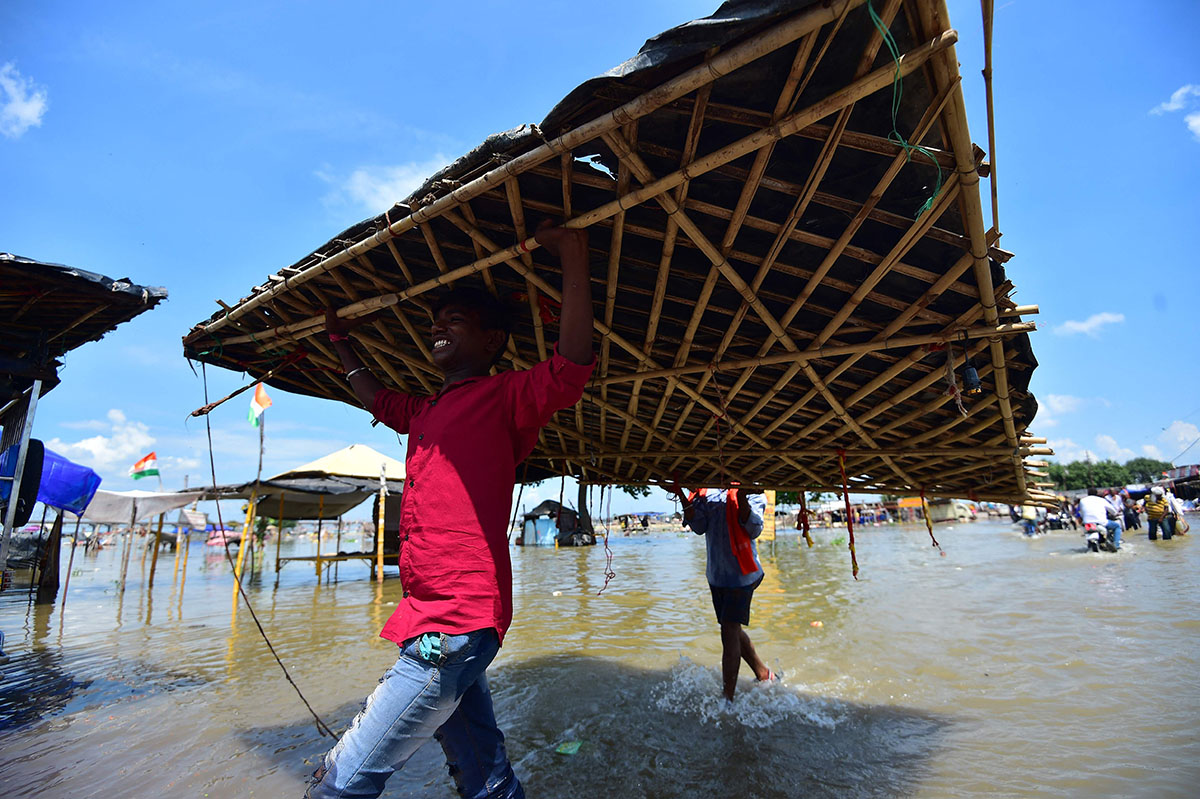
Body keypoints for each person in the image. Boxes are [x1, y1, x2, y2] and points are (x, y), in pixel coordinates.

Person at [307, 221, 594, 799]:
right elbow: (376, 397)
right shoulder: (426, 412)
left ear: (491, 341)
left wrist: (572, 256)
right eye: (433, 324)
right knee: (483, 776)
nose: (437, 330)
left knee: (339, 785)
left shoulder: (506, 395)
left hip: (454, 624)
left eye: (453, 322)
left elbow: (570, 365)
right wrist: (340, 343)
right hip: (431, 615)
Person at [665, 479, 773, 701]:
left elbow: (753, 529)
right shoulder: (706, 490)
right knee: (731, 627)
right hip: (717, 573)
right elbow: (699, 526)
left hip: (743, 573)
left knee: (728, 629)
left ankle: (727, 699)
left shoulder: (754, 490)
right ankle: (764, 674)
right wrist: (681, 494)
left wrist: (741, 496)